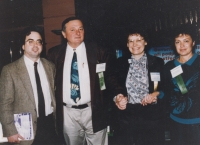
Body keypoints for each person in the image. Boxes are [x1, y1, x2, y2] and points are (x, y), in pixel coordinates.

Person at [47, 17, 125, 145]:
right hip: (68, 114)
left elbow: (110, 77)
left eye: (80, 29)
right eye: (72, 29)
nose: (77, 33)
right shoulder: (54, 54)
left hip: (94, 110)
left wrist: (118, 94)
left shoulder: (99, 51)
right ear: (63, 34)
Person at [0, 26, 58, 145]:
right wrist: (10, 131)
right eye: (30, 41)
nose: (35, 45)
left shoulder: (50, 66)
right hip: (24, 129)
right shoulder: (10, 70)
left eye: (39, 42)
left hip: (50, 125)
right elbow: (5, 103)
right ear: (23, 46)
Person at [114, 29, 165, 145]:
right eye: (130, 41)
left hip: (151, 115)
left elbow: (164, 86)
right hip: (126, 114)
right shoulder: (119, 63)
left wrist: (155, 94)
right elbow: (112, 85)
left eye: (138, 40)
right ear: (127, 44)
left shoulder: (157, 62)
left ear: (145, 42)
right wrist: (117, 97)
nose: (134, 44)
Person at [164, 25, 200, 145]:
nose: (182, 45)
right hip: (176, 122)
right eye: (177, 42)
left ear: (193, 42)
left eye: (186, 41)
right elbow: (164, 91)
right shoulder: (169, 66)